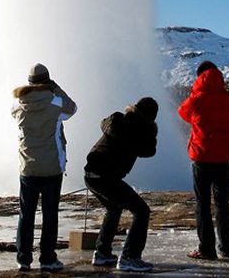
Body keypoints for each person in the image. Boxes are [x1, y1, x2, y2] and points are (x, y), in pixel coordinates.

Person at [11, 63, 77, 272]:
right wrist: (55, 88)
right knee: (50, 214)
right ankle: (47, 258)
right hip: (51, 167)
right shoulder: (56, 102)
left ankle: (23, 258)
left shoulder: (17, 106)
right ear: (48, 80)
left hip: (27, 168)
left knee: (26, 214)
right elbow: (72, 108)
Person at [84, 97, 158, 272]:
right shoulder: (139, 130)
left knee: (114, 208)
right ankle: (129, 257)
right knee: (141, 211)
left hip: (90, 174)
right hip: (106, 177)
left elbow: (104, 123)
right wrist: (152, 131)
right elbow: (149, 151)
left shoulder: (118, 119)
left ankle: (102, 253)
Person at [178, 61, 229, 260]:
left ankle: (207, 249)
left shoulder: (195, 100)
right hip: (224, 157)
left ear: (199, 77)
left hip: (202, 156)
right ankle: (227, 247)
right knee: (223, 203)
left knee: (202, 204)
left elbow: (182, 113)